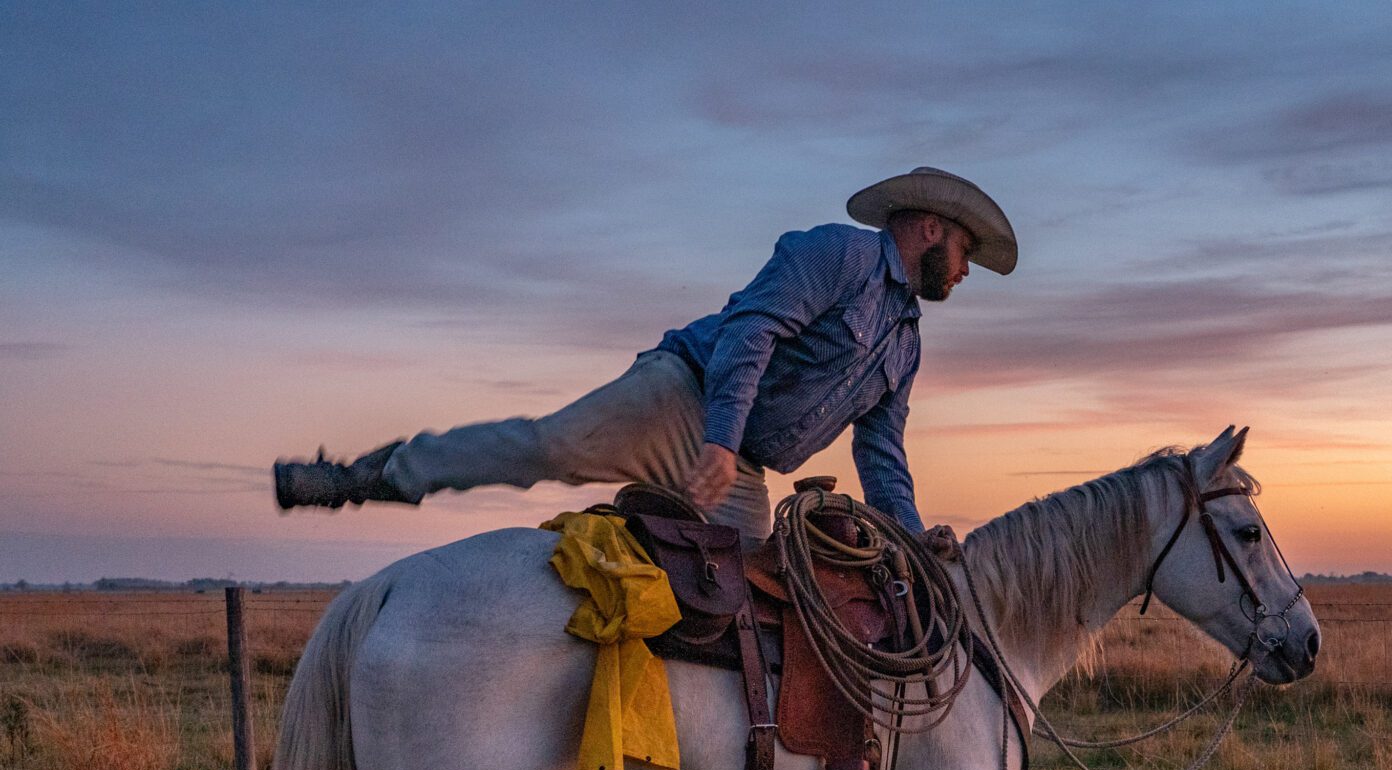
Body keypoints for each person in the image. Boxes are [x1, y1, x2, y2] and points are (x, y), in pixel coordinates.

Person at [272, 167, 1016, 541]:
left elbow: (882, 454)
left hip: (740, 462)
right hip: (684, 397)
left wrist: (914, 542)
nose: (964, 271)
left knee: (742, 592)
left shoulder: (905, 342)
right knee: (552, 447)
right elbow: (747, 334)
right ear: (926, 228)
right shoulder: (838, 254)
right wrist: (720, 441)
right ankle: (367, 476)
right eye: (963, 252)